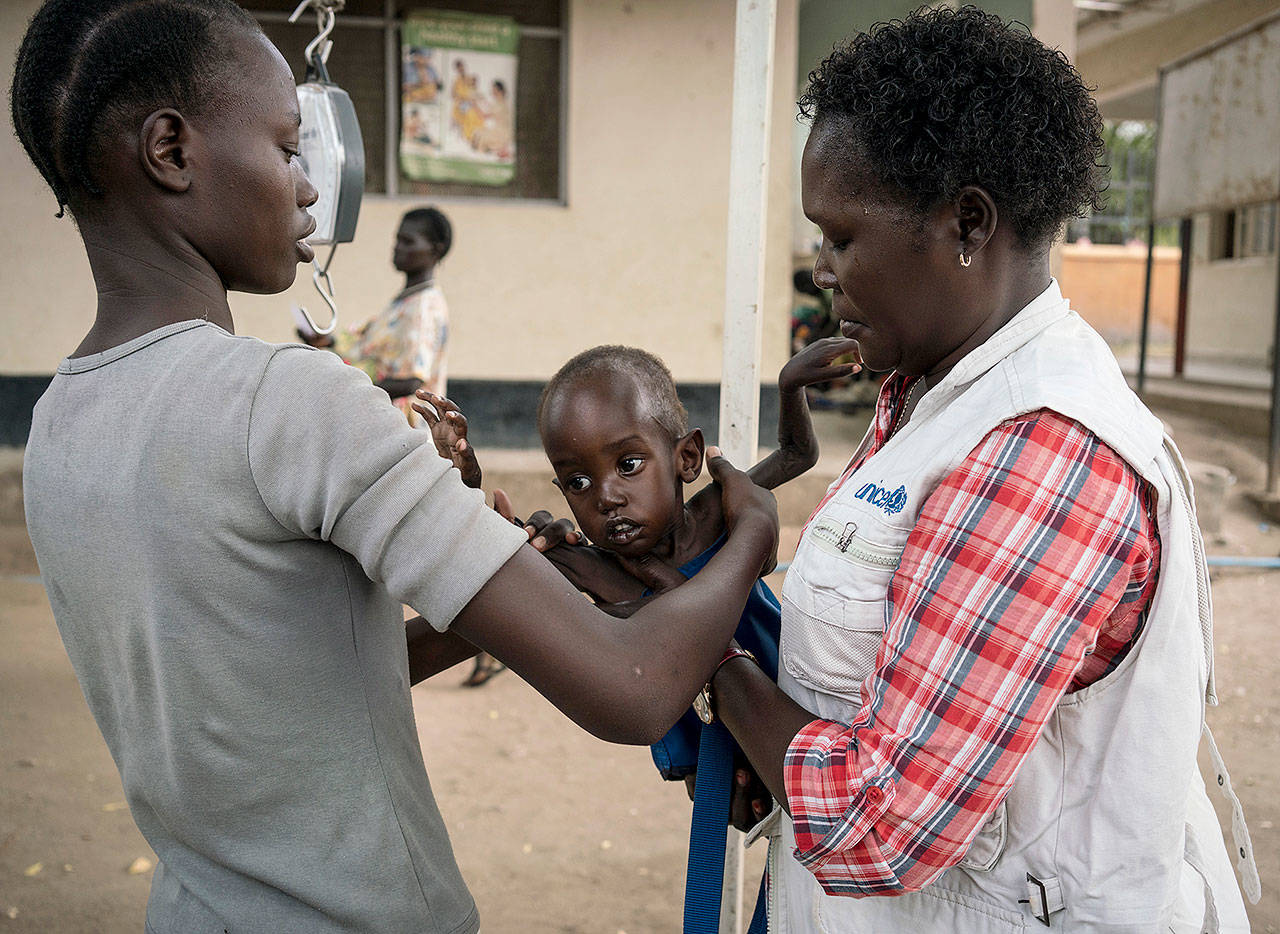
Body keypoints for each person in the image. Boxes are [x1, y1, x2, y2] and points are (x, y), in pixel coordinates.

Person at [11, 3, 779, 933]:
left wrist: (485, 589)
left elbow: (291, 691)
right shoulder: (288, 402)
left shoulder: (58, 423)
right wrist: (751, 541)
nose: (306, 190)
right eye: (287, 146)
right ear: (170, 150)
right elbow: (635, 689)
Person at [526, 7, 1261, 931]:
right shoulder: (929, 392)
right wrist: (763, 734)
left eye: (838, 237)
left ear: (967, 221)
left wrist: (700, 650)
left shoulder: (1041, 454)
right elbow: (882, 674)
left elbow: (875, 825)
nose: (821, 269)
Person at [416, 339, 857, 930]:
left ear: (687, 458)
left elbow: (798, 454)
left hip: (789, 710)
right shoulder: (587, 561)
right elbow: (505, 564)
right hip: (704, 737)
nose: (606, 497)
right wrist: (465, 485)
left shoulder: (717, 515)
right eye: (576, 481)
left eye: (628, 465)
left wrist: (789, 387)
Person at [301, 207, 451, 427]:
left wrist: (350, 388)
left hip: (405, 436)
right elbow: (373, 357)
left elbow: (411, 382)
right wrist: (327, 342)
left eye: (408, 241)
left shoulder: (424, 308)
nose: (397, 247)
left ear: (435, 250)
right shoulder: (405, 302)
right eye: (397, 239)